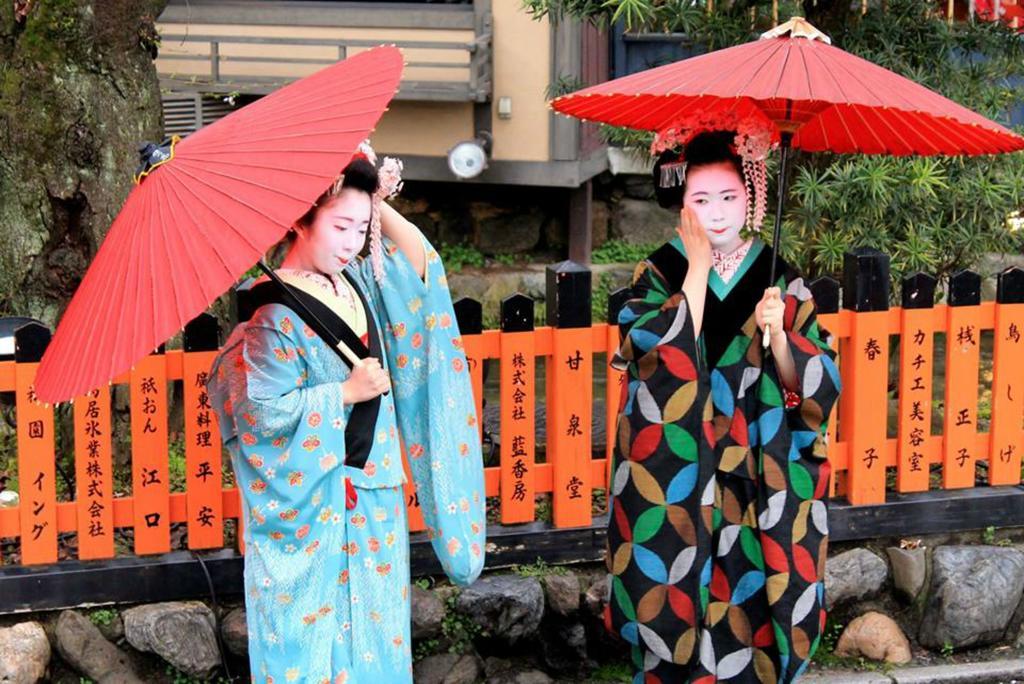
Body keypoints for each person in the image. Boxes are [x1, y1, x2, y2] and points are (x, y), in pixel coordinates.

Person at [208, 144, 485, 683]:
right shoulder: (269, 315)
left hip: (374, 494)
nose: (352, 243)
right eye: (340, 226)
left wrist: (371, 197)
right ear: (300, 220)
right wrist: (345, 395)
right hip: (312, 507)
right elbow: (259, 415)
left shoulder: (357, 283)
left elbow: (424, 275)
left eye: (361, 230)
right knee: (318, 647)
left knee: (379, 639)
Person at [606, 128, 840, 684]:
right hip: (681, 464)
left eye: (729, 197)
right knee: (680, 578)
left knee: (750, 583)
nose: (716, 213)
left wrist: (780, 336)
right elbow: (644, 354)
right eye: (701, 200)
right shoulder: (659, 270)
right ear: (681, 206)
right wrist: (695, 269)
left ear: (752, 195)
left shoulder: (779, 275)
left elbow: (811, 388)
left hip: (757, 462)